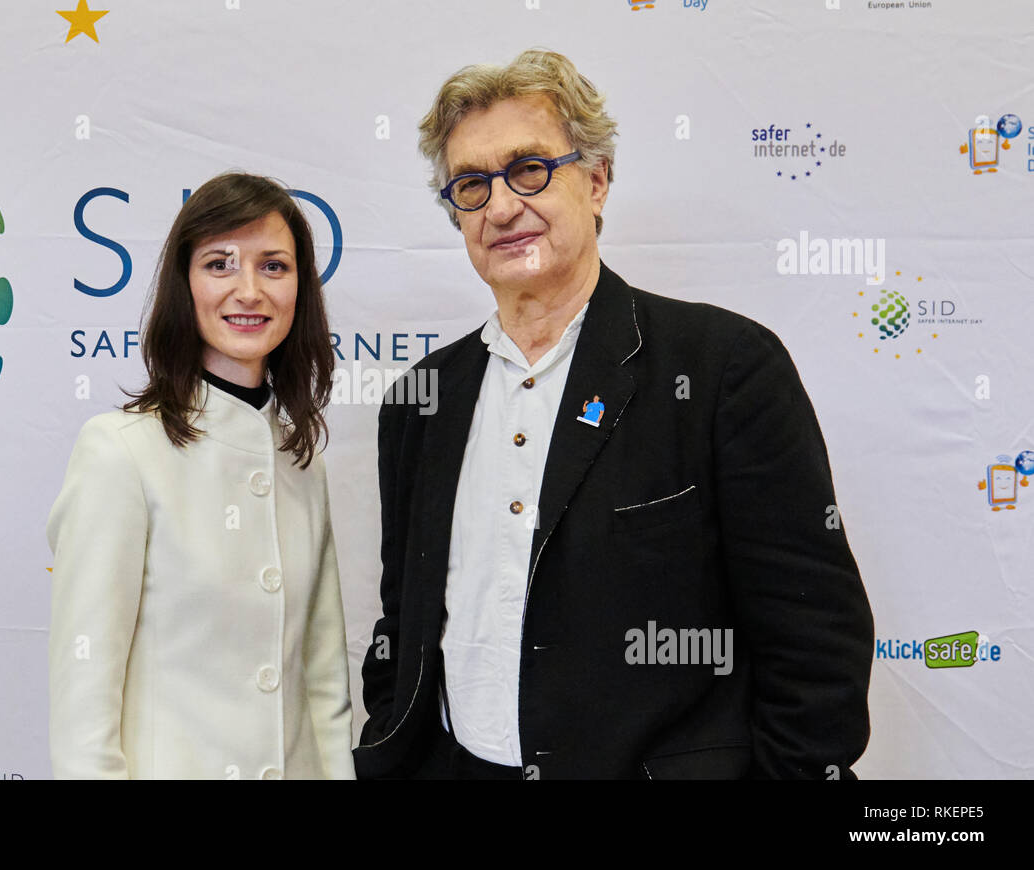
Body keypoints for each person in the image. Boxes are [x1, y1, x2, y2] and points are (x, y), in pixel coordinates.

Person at [354, 49, 875, 779]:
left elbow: (816, 642)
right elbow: (404, 622)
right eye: (471, 185)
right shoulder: (422, 399)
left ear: (595, 182)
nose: (502, 206)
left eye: (529, 169)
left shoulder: (724, 367)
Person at [47, 172, 354, 779]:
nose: (249, 290)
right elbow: (85, 691)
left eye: (274, 266)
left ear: (300, 288)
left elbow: (323, 681)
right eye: (219, 264)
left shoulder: (300, 459)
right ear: (184, 287)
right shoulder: (120, 452)